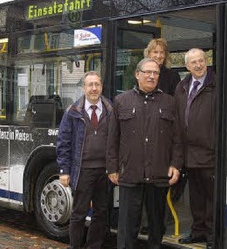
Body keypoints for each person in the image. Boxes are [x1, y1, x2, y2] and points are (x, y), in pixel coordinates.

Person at [107, 58, 183, 249]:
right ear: (137, 74)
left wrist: (176, 164)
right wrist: (112, 168)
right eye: (147, 72)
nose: (151, 76)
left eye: (155, 73)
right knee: (127, 227)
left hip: (159, 174)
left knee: (157, 227)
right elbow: (113, 139)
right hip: (130, 174)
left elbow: (178, 138)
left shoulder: (170, 102)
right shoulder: (121, 101)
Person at [56, 71, 113, 249]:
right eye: (90, 85)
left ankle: (94, 246)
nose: (94, 88)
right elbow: (63, 143)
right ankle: (74, 246)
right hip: (83, 170)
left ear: (101, 87)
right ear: (84, 88)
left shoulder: (111, 110)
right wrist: (64, 170)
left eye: (97, 84)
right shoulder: (73, 112)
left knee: (101, 212)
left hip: (105, 171)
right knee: (79, 213)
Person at [174, 48, 217, 249]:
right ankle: (198, 231)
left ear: (206, 61)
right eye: (194, 62)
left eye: (201, 60)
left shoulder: (217, 85)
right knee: (196, 197)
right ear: (187, 66)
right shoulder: (181, 87)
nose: (199, 65)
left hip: (209, 153)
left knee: (211, 197)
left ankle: (211, 234)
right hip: (189, 154)